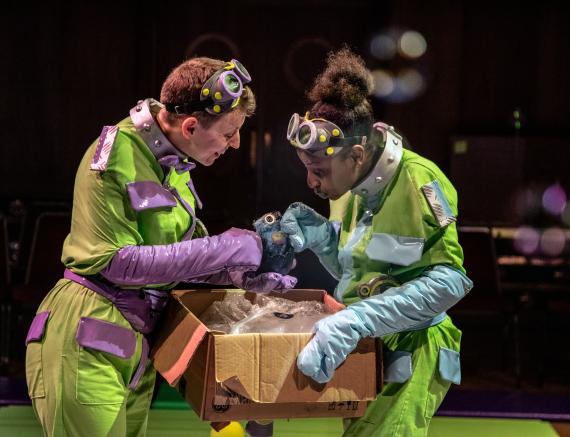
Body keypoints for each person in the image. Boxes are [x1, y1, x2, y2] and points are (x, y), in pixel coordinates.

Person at [24, 57, 296, 437]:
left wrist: (240, 275)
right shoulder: (116, 153)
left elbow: (176, 258)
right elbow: (116, 264)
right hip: (87, 336)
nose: (235, 144)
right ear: (189, 125)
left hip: (136, 345)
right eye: (230, 132)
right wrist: (227, 247)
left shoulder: (174, 166)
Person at [280, 47, 473, 436]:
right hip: (375, 348)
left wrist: (355, 319)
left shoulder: (419, 181)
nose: (312, 183)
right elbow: (367, 270)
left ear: (355, 154)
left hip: (415, 350)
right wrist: (322, 239)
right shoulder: (358, 185)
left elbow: (451, 280)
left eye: (318, 171)